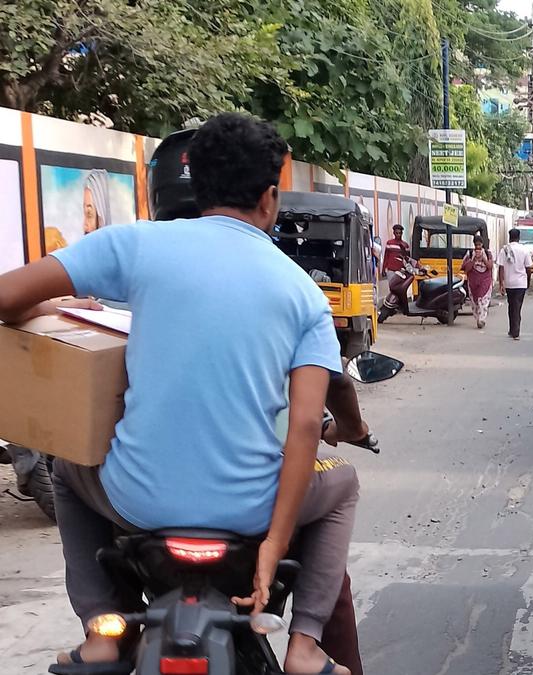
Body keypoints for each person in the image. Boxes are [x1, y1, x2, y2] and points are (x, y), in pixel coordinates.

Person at [0, 113, 355, 674]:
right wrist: (272, 545)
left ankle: (99, 630)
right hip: (250, 511)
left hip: (136, 502)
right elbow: (307, 427)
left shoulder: (135, 244)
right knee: (344, 482)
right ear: (269, 198)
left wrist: (50, 309)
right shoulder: (303, 292)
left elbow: (5, 296)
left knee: (67, 469)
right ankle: (306, 644)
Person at [498, 227, 533, 340]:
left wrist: (501, 283)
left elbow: (501, 267)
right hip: (521, 283)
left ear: (510, 237)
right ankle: (516, 331)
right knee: (517, 307)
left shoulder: (504, 250)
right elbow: (528, 268)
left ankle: (512, 329)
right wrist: (528, 281)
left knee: (511, 306)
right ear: (519, 237)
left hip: (509, 283)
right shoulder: (524, 250)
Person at [461, 235, 494, 329]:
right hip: (473, 281)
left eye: (480, 245)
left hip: (485, 280)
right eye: (476, 245)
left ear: (482, 245)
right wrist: (473, 259)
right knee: (474, 302)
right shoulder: (470, 253)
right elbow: (466, 269)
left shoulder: (488, 253)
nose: (478, 248)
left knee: (483, 300)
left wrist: (483, 258)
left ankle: (482, 319)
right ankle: (477, 319)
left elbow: (490, 266)